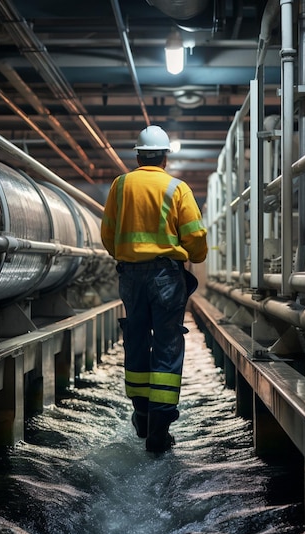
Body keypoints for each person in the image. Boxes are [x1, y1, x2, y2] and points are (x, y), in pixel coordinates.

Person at [101, 125, 207, 453]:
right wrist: (196, 256)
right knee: (167, 343)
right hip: (165, 277)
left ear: (137, 155)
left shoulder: (120, 186)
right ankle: (159, 429)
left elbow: (107, 233)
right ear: (164, 157)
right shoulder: (177, 188)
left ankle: (142, 412)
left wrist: (127, 255)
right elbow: (195, 235)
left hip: (130, 276)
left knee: (135, 338)